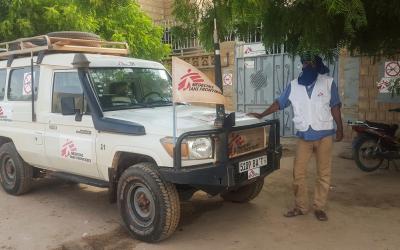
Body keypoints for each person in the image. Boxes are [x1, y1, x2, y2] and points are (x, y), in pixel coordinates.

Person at [249, 54, 343, 221]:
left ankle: (319, 207)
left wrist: (340, 128)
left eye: (310, 63)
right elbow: (280, 103)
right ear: (302, 65)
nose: (307, 65)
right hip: (304, 137)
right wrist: (262, 114)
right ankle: (301, 206)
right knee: (298, 172)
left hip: (325, 136)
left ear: (316, 65)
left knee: (324, 174)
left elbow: (335, 106)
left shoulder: (328, 82)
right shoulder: (293, 85)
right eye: (305, 63)